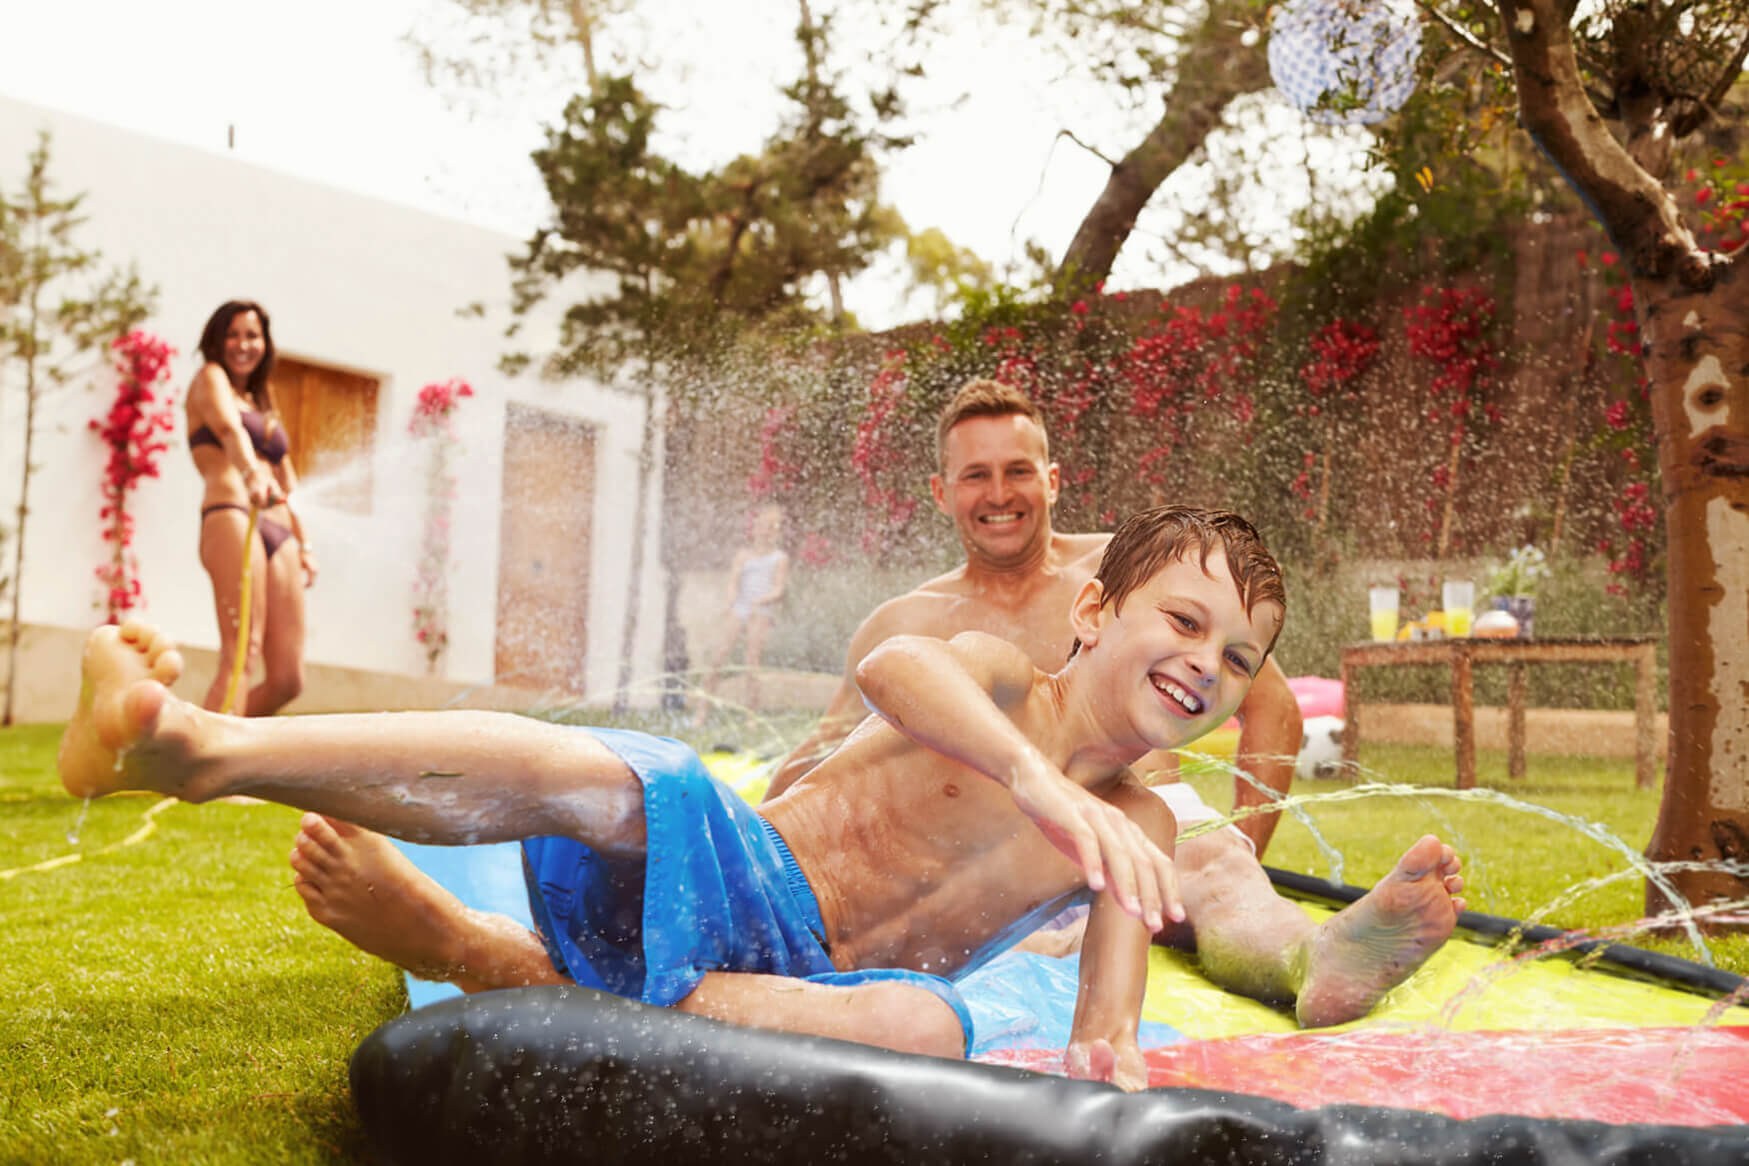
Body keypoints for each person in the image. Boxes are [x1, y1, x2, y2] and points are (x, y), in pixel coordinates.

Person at [58, 509, 1464, 1090]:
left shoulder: (1143, 834)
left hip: (766, 999)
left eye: (1237, 657)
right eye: (1183, 619)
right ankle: (198, 746)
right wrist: (1040, 782)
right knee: (623, 774)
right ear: (1093, 609)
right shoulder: (999, 679)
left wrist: (1105, 1060)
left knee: (926, 1020)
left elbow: (1105, 1040)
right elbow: (888, 659)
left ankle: (496, 965)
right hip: (719, 878)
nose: (1206, 665)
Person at [763, 379, 1319, 974]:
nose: (999, 493)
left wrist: (1248, 846)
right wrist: (769, 839)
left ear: (1051, 480)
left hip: (1142, 823)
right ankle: (1051, 942)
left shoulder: (1141, 573)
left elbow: (1272, 705)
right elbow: (828, 753)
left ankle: (1308, 958)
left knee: (1213, 862)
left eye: (1019, 470)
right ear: (941, 492)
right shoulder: (906, 620)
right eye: (976, 475)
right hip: (998, 866)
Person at [184, 300, 316, 715]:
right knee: (242, 654)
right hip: (232, 514)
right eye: (234, 334)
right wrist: (250, 474)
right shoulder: (210, 378)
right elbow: (228, 430)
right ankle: (203, 769)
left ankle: (213, 744)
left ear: (265, 343)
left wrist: (305, 543)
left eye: (253, 335)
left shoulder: (262, 403)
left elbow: (289, 481)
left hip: (280, 533)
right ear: (217, 341)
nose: (244, 344)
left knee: (287, 679)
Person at [693, 503, 790, 725]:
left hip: (761, 609)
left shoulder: (779, 558)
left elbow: (778, 588)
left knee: (751, 664)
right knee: (719, 657)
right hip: (741, 607)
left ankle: (751, 715)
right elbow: (733, 583)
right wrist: (730, 602)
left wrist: (762, 601)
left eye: (772, 527)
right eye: (763, 526)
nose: (766, 531)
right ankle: (701, 711)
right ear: (754, 529)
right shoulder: (743, 556)